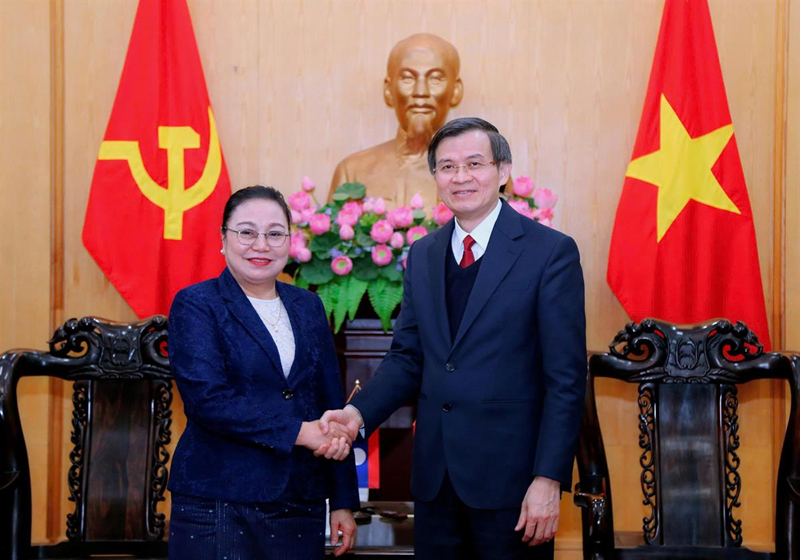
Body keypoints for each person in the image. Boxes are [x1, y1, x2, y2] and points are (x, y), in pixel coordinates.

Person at [321, 118, 587, 559]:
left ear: (503, 171)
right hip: (435, 481)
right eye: (447, 166)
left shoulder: (549, 253)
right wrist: (356, 415)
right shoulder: (424, 253)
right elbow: (407, 358)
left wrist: (548, 479)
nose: (460, 176)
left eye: (474, 163)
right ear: (436, 177)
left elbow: (566, 380)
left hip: (513, 485)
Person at [168, 186, 359, 559]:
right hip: (219, 500)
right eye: (247, 232)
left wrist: (342, 500)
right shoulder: (196, 304)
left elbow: (331, 401)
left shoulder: (308, 305)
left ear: (289, 241)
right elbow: (208, 402)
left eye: (274, 233)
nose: (261, 245)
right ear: (223, 238)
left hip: (300, 500)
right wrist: (300, 432)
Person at [329, 33, 464, 210]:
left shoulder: (479, 172)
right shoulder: (353, 172)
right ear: (388, 90)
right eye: (408, 78)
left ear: (456, 91)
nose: (420, 92)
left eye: (435, 79)